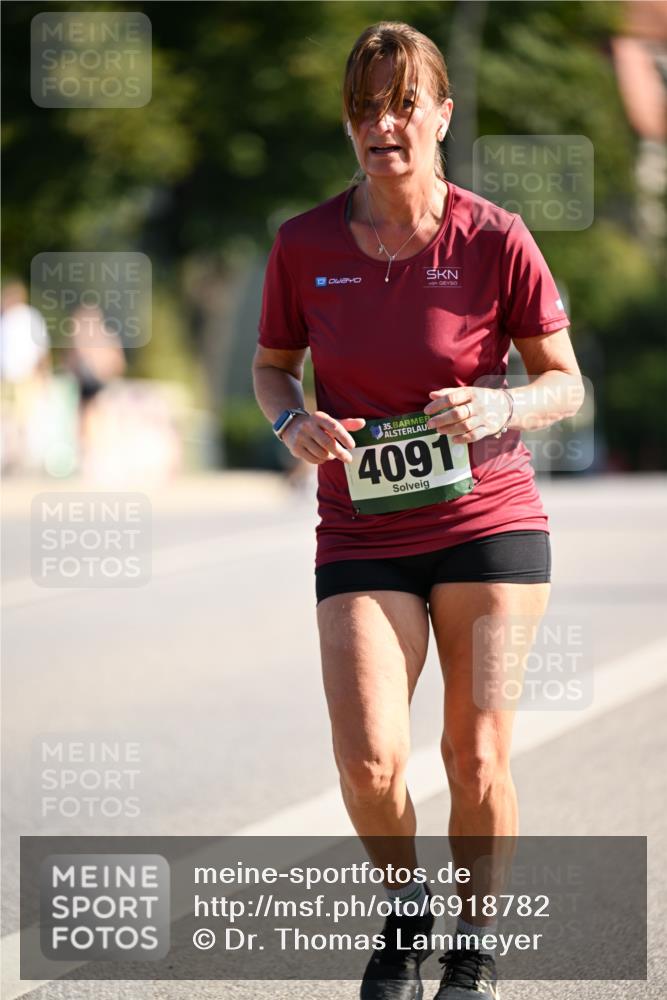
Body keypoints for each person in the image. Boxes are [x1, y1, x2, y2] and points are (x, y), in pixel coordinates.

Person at [252, 21, 584, 1000]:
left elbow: (564, 382)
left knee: (474, 753)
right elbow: (272, 368)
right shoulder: (302, 244)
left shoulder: (493, 237)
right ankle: (404, 917)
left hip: (488, 518)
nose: (382, 124)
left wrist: (502, 403)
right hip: (359, 528)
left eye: (402, 105)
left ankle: (473, 947)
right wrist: (291, 424)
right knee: (368, 759)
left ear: (440, 114)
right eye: (364, 108)